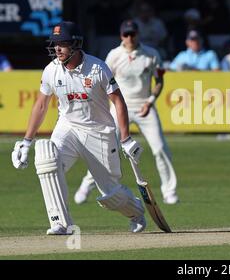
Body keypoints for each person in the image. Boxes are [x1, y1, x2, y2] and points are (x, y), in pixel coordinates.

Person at [11, 21, 146, 235]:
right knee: (47, 159)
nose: (57, 49)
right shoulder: (51, 70)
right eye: (55, 44)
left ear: (75, 43)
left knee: (110, 194)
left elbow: (118, 101)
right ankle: (61, 223)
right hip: (68, 127)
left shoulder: (97, 68)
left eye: (62, 43)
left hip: (99, 132)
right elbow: (41, 104)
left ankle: (135, 211)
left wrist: (126, 139)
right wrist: (26, 141)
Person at [74, 20, 179, 205]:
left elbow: (159, 81)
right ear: (121, 35)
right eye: (126, 34)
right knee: (105, 148)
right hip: (120, 107)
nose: (129, 38)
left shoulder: (151, 54)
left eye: (132, 34)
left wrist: (150, 101)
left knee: (161, 148)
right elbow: (102, 82)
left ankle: (169, 191)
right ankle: (87, 184)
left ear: (138, 34)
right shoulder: (114, 55)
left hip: (145, 106)